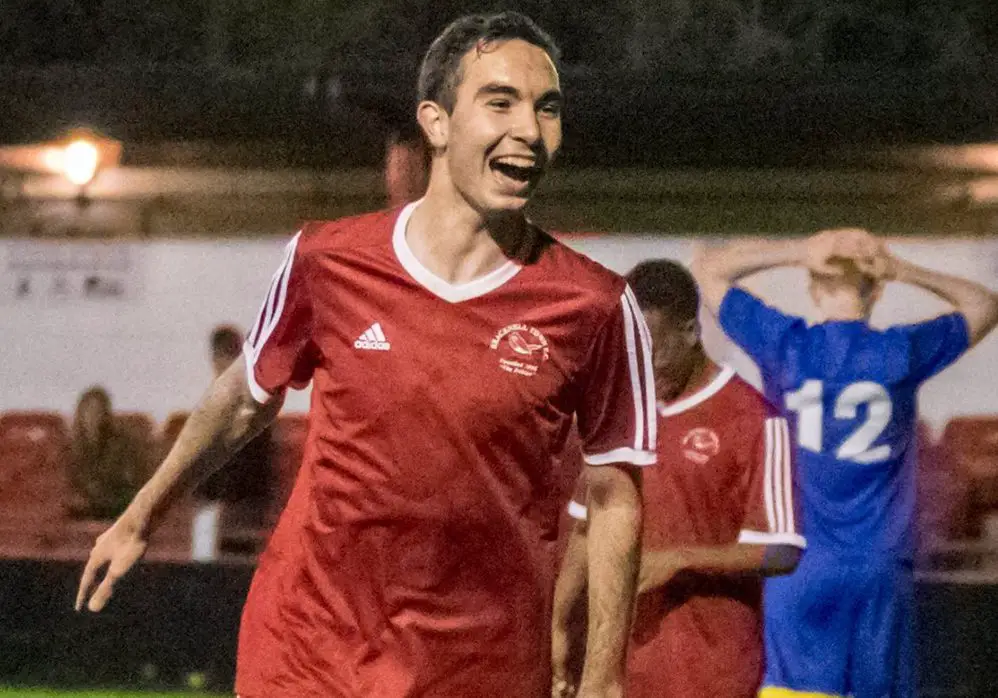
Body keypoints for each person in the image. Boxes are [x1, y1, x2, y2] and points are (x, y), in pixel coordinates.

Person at [75, 12, 654, 698]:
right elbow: (244, 399)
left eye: (547, 108)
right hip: (309, 649)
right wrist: (142, 514)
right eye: (500, 102)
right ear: (435, 123)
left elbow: (617, 494)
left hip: (480, 665)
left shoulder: (593, 305)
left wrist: (604, 679)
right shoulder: (328, 259)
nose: (529, 130)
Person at [692, 229, 998, 698]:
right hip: (879, 565)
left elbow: (711, 271)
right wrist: (905, 269)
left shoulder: (785, 344)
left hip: (799, 565)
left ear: (813, 289)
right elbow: (984, 305)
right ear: (877, 290)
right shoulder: (901, 351)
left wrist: (799, 251)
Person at [551, 260, 804, 698]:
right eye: (629, 354)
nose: (641, 370)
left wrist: (678, 560)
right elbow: (584, 529)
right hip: (623, 671)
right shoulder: (619, 410)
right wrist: (558, 627)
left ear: (690, 332)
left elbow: (782, 549)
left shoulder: (753, 419)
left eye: (652, 353)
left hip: (709, 672)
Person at [192, 325, 276, 557]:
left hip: (243, 501)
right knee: (204, 519)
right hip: (215, 501)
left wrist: (220, 501)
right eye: (220, 358)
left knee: (212, 522)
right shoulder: (210, 407)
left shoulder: (255, 407)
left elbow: (255, 471)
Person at [66, 387, 148, 521]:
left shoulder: (122, 443)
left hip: (115, 511)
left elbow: (129, 484)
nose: (93, 415)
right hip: (81, 513)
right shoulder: (69, 448)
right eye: (88, 410)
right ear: (80, 413)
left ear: (106, 414)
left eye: (98, 410)